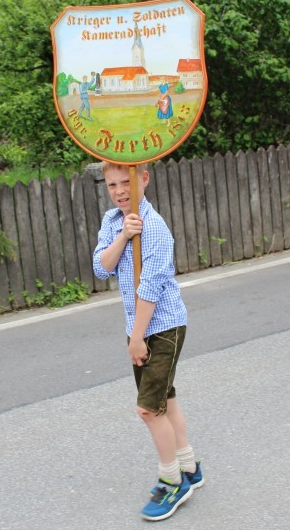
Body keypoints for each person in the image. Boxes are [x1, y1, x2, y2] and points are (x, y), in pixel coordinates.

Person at [93, 162, 203, 520]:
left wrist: (137, 338)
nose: (120, 191)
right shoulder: (112, 221)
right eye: (112, 185)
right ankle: (189, 468)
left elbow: (150, 288)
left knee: (148, 409)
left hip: (162, 327)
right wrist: (123, 236)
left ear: (144, 179)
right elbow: (101, 267)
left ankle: (173, 482)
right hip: (138, 327)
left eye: (126, 182)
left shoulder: (155, 228)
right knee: (164, 400)